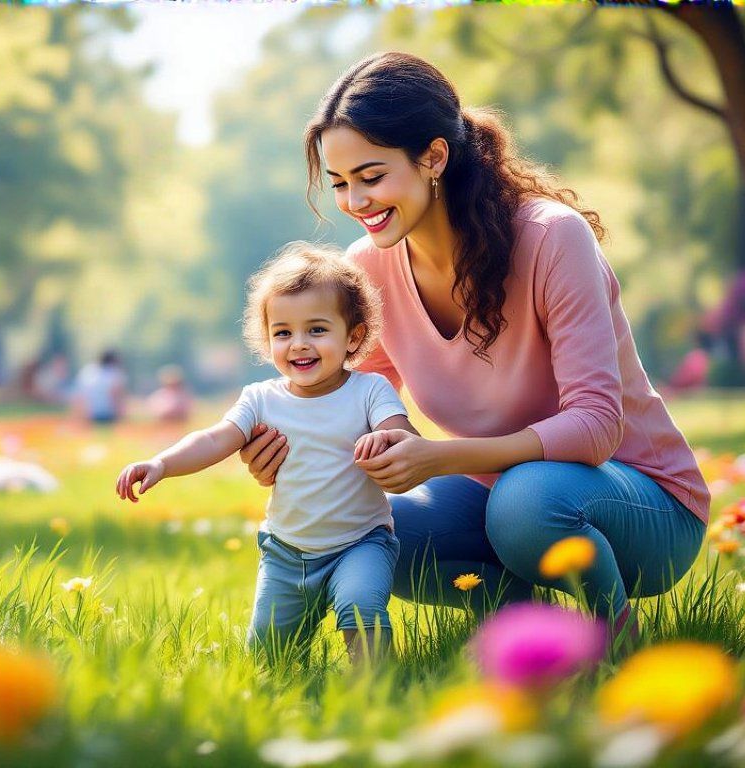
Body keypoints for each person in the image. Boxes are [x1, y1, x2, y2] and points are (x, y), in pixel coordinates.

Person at [241, 52, 709, 638]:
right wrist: (293, 452)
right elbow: (363, 405)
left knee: (527, 500)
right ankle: (528, 634)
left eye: (371, 176)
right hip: (500, 501)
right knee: (374, 529)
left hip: (641, 506)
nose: (355, 203)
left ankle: (616, 642)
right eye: (339, 184)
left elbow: (596, 427)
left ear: (433, 156)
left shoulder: (550, 238)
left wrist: (443, 458)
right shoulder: (369, 269)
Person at [116, 243, 419, 663]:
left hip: (360, 543)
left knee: (361, 608)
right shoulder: (260, 398)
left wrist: (385, 439)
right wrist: (162, 463)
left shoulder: (369, 391)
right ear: (267, 338)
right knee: (269, 657)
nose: (299, 344)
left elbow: (403, 435)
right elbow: (214, 438)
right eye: (283, 332)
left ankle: (375, 689)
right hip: (286, 553)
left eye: (317, 330)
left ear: (354, 337)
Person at [72, 350, 127, 425]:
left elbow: (79, 396)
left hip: (88, 414)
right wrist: (120, 416)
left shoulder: (87, 370)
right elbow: (115, 395)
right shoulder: (114, 373)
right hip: (107, 415)